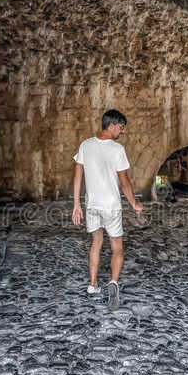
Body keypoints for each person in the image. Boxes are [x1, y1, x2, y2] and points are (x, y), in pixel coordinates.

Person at [71, 109, 144, 299]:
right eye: (121, 128)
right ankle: (113, 282)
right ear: (111, 125)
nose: (122, 132)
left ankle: (93, 285)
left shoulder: (85, 145)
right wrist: (134, 203)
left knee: (96, 243)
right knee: (117, 247)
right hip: (111, 206)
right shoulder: (117, 149)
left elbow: (77, 175)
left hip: (92, 204)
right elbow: (125, 183)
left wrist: (76, 204)